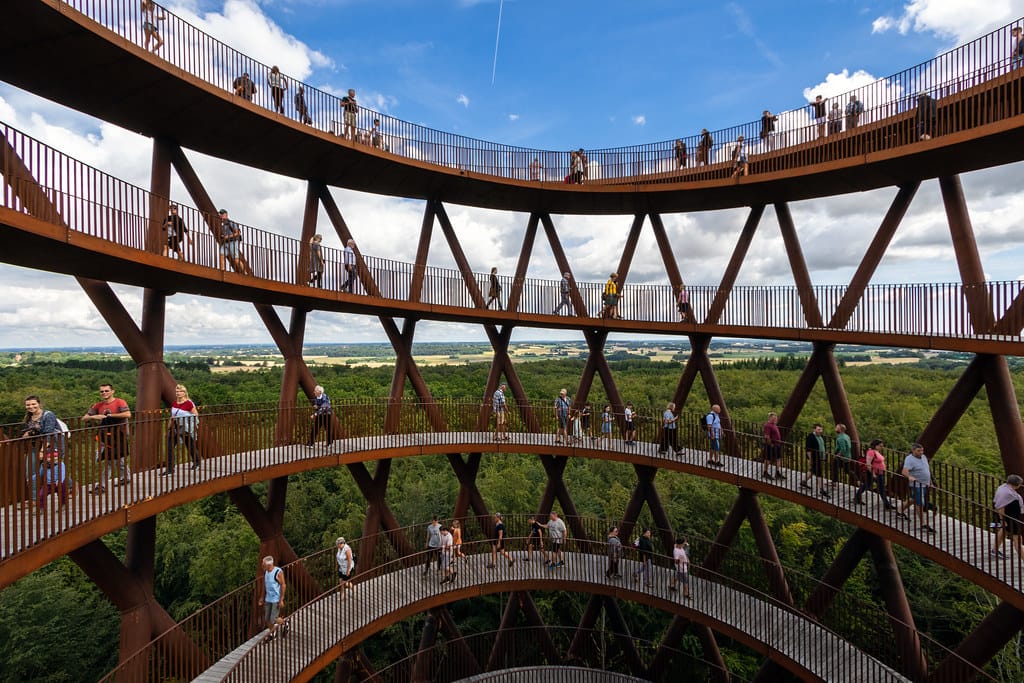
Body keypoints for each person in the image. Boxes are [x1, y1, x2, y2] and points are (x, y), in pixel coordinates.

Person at [83, 383, 131, 492]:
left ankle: (101, 486)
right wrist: (95, 416)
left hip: (119, 435)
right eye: (102, 391)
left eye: (106, 390)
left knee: (112, 459)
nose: (104, 393)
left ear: (112, 391)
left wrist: (110, 416)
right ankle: (125, 478)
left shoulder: (120, 402)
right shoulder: (98, 405)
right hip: (104, 437)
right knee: (115, 458)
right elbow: (84, 418)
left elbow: (128, 414)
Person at [20, 395, 62, 506]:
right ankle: (34, 499)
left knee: (53, 471)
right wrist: (27, 434)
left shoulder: (48, 415)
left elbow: (49, 433)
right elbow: (30, 430)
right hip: (35, 447)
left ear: (39, 404)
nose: (31, 406)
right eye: (28, 405)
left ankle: (70, 486)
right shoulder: (29, 418)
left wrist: (43, 451)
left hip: (51, 447)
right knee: (31, 473)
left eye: (33, 404)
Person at [164, 383, 199, 475]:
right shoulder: (174, 403)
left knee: (190, 445)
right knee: (169, 447)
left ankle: (197, 461)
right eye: (176, 391)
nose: (178, 393)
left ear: (184, 393)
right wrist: (168, 429)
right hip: (175, 428)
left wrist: (189, 424)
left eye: (180, 391)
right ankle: (170, 469)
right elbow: (172, 416)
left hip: (185, 428)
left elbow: (196, 415)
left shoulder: (188, 403)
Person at [899, 443, 935, 532]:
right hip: (917, 485)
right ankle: (923, 524)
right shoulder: (909, 459)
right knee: (920, 503)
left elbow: (927, 470)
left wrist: (930, 482)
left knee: (913, 499)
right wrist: (909, 477)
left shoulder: (923, 457)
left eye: (922, 450)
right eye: (918, 451)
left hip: (925, 483)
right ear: (913, 450)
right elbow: (904, 471)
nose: (921, 452)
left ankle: (899, 511)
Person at [854, 439, 893, 509]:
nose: (881, 447)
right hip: (875, 473)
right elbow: (868, 463)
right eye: (880, 445)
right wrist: (873, 473)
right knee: (881, 488)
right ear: (876, 445)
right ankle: (887, 504)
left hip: (880, 472)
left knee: (866, 485)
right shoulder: (871, 452)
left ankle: (857, 497)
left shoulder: (877, 452)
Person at [992, 474, 1023, 558]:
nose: (1020, 486)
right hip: (1009, 519)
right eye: (1020, 484)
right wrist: (1003, 521)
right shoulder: (1007, 493)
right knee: (1018, 541)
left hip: (1008, 517)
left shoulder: (1003, 488)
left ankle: (994, 550)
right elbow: (1001, 507)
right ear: (1016, 484)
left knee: (1004, 531)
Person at [258, 555, 289, 641]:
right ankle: (272, 633)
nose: (262, 565)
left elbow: (283, 585)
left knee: (273, 619)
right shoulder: (266, 572)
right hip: (268, 598)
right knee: (267, 618)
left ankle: (285, 623)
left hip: (276, 599)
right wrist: (261, 597)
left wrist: (281, 599)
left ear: (268, 565)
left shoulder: (278, 572)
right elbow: (265, 584)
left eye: (263, 564)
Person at [799, 423, 829, 498]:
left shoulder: (820, 436)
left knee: (812, 470)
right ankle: (821, 489)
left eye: (821, 429)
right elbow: (808, 450)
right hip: (814, 458)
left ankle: (803, 482)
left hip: (819, 457)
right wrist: (810, 459)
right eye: (818, 429)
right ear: (814, 429)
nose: (820, 431)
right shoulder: (811, 437)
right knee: (819, 473)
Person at [36, 446, 69, 512]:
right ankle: (41, 508)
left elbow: (62, 473)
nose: (53, 458)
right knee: (41, 495)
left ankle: (63, 504)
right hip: (48, 484)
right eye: (49, 457)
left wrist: (60, 480)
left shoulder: (61, 464)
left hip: (58, 483)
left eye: (55, 456)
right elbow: (40, 473)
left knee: (63, 492)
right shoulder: (44, 465)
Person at [762, 411, 783, 479]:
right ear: (770, 418)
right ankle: (765, 472)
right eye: (774, 418)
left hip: (777, 444)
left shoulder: (774, 425)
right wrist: (771, 444)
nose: (775, 419)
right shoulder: (768, 425)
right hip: (771, 445)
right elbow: (767, 436)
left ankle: (777, 472)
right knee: (768, 459)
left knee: (778, 458)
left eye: (776, 418)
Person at [832, 423, 853, 487]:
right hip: (848, 456)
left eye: (836, 428)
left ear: (840, 429)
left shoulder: (840, 438)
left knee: (835, 467)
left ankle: (834, 482)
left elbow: (843, 449)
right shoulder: (846, 436)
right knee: (847, 470)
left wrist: (837, 455)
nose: (835, 429)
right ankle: (857, 480)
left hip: (842, 457)